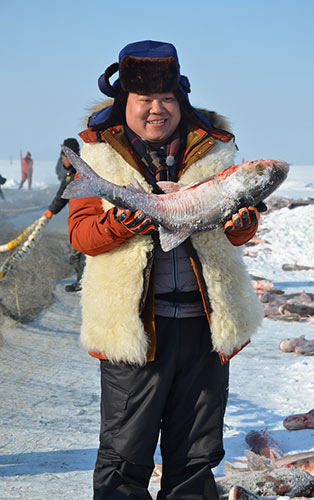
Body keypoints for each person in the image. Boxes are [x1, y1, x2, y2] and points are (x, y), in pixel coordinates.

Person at [68, 40, 264, 500]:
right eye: (145, 101)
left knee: (196, 457)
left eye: (168, 99)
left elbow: (239, 230)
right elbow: (81, 235)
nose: (157, 109)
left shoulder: (214, 150)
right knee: (124, 457)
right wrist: (118, 224)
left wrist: (243, 223)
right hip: (133, 331)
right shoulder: (97, 155)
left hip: (205, 324)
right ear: (125, 103)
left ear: (182, 99)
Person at [43, 138, 85, 292]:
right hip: (76, 217)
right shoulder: (70, 173)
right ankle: (82, 280)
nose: (62, 160)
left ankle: (83, 282)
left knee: (80, 252)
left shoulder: (82, 172)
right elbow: (62, 194)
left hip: (85, 217)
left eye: (64, 157)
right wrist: (51, 211)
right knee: (76, 252)